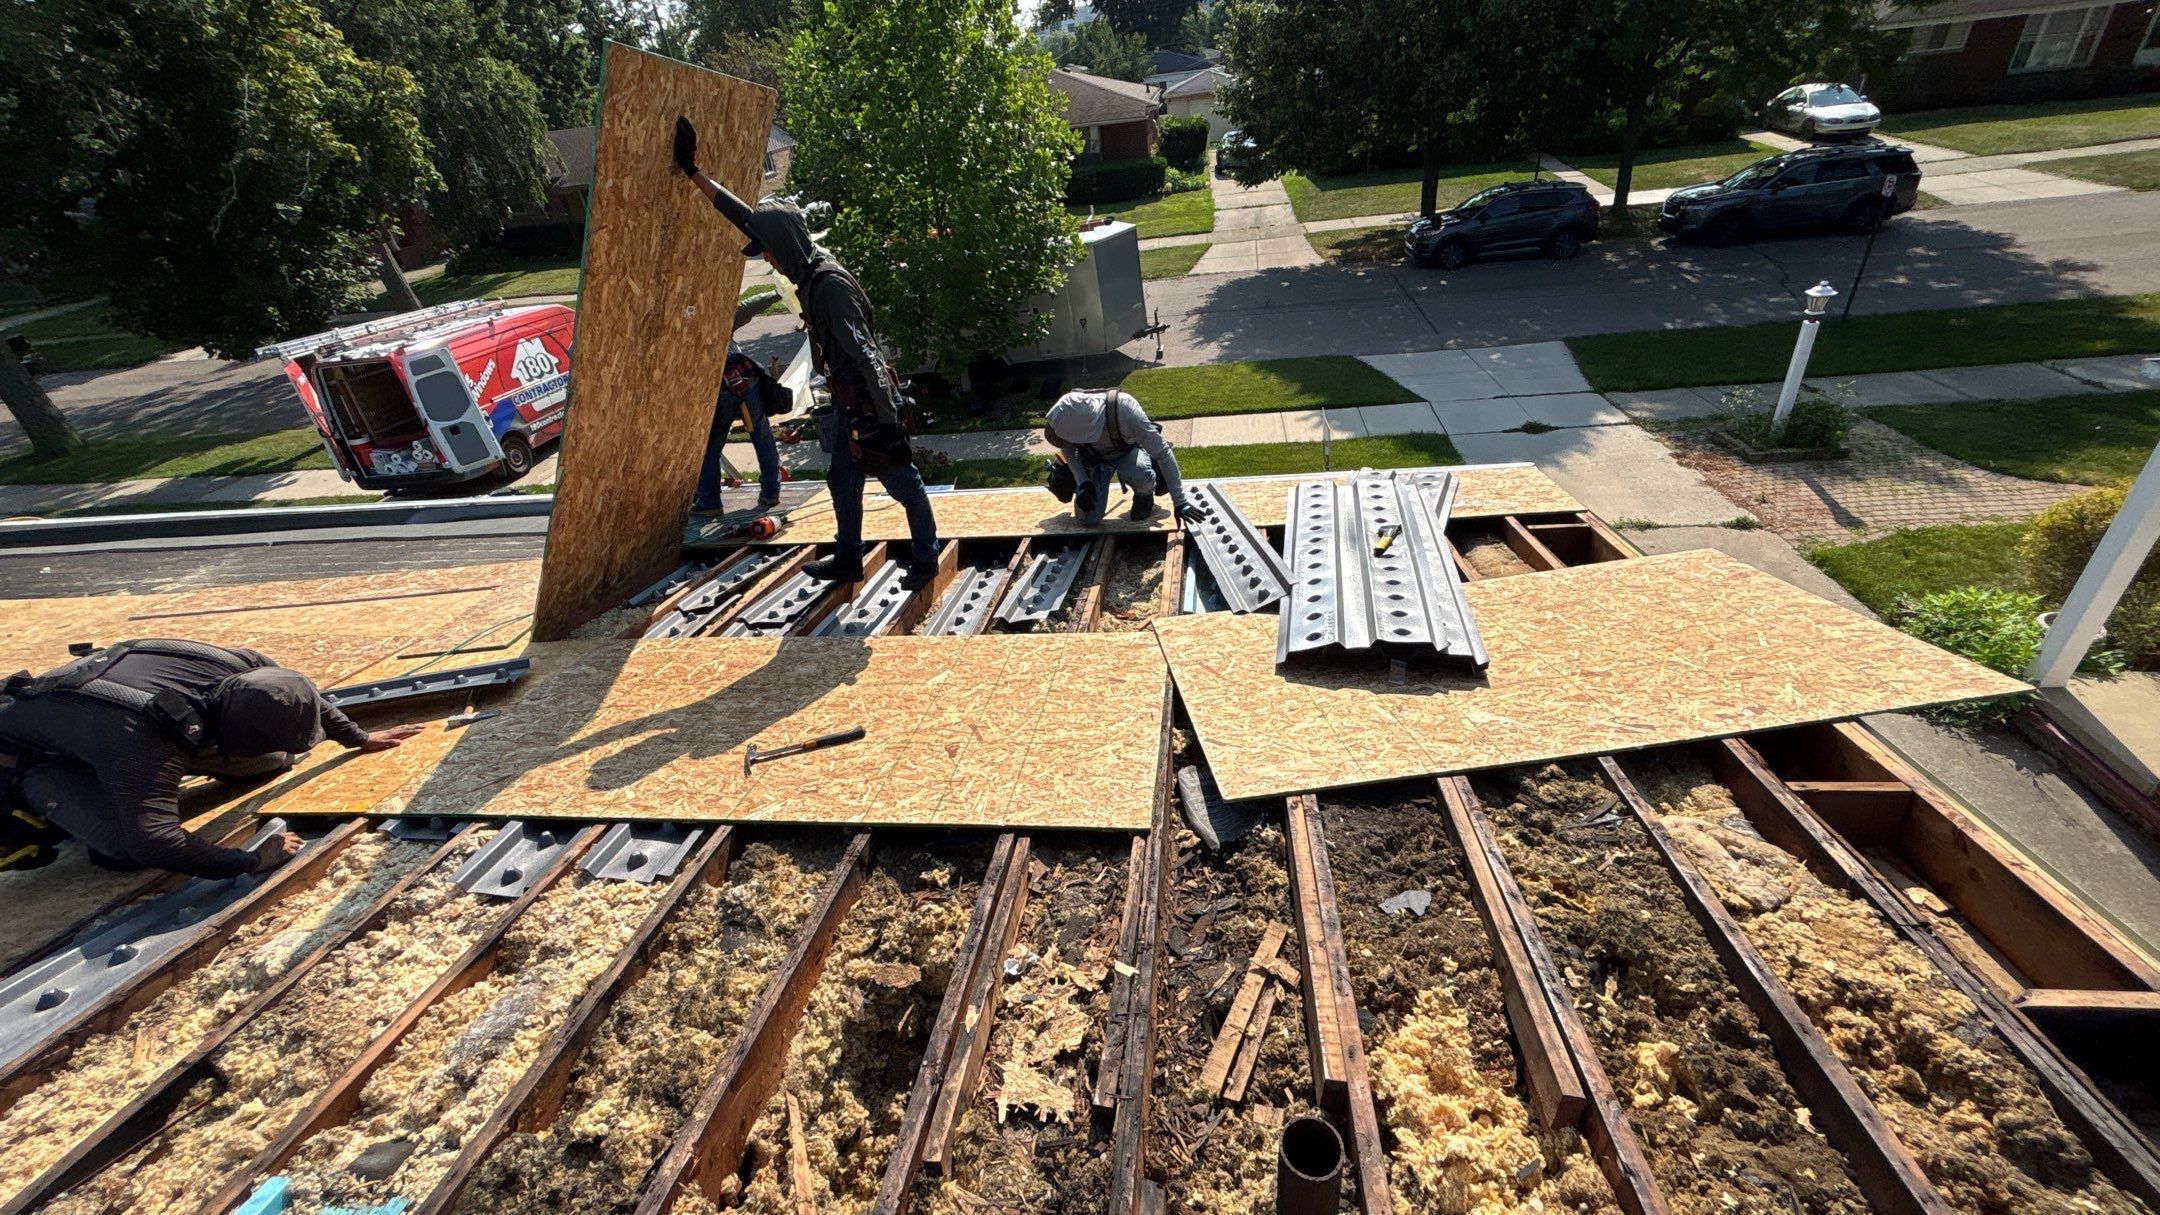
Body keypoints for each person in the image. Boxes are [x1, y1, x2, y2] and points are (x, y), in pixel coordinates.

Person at [673, 117, 937, 589]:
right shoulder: (806, 266)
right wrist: (693, 172)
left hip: (868, 407)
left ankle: (925, 560)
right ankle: (849, 558)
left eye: (768, 252)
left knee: (905, 486)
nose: (767, 259)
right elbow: (748, 218)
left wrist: (887, 421)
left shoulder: (830, 287)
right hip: (850, 403)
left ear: (785, 248)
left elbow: (867, 356)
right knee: (843, 483)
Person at [0, 639, 421, 878]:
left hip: (108, 724)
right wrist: (249, 860)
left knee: (273, 761)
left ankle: (110, 780)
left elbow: (299, 696)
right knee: (124, 847)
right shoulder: (146, 738)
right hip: (29, 759)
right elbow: (155, 842)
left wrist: (358, 738)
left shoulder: (246, 665)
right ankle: (53, 808)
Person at [1043, 388, 1207, 526]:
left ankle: (1144, 494)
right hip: (1096, 461)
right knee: (1089, 519)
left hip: (1127, 452)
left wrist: (1180, 502)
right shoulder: (1067, 416)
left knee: (1141, 475)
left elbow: (1163, 453)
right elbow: (1068, 451)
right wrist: (1083, 483)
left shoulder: (1125, 410)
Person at [692, 345, 783, 517]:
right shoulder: (722, 328)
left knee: (710, 447)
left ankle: (710, 503)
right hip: (745, 376)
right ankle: (771, 493)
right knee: (763, 436)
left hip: (722, 383)